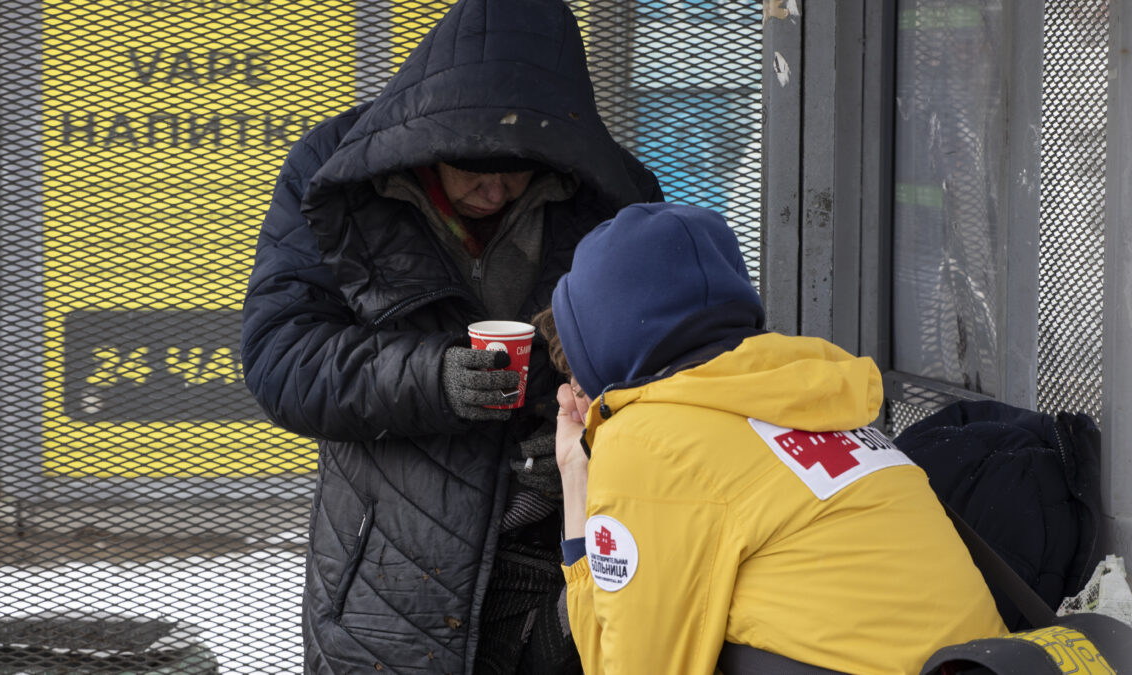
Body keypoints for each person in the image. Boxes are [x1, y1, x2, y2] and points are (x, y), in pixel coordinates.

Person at [238, 0, 661, 670]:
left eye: (518, 169)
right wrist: (435, 376)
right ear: (429, 138)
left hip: (560, 571)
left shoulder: (610, 192)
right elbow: (280, 356)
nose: (494, 192)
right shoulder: (336, 171)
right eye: (473, 166)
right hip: (387, 584)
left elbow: (662, 361)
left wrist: (581, 383)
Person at [542, 202, 1007, 674]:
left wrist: (577, 482)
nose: (576, 393)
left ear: (605, 345)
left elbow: (630, 667)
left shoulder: (647, 442)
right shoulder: (804, 394)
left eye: (579, 375)